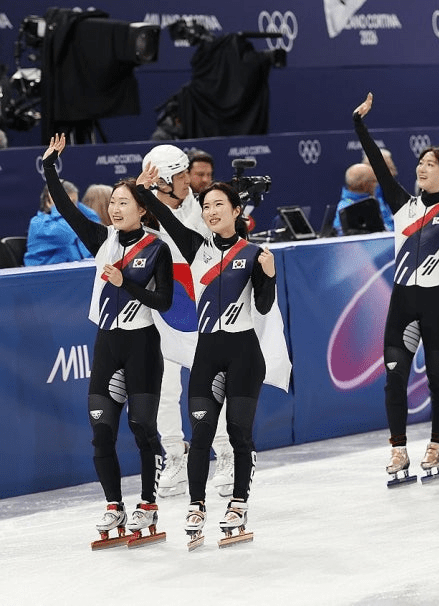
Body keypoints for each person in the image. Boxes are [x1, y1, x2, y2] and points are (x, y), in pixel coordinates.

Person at [352, 92, 439, 485]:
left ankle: (436, 442)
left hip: (435, 303)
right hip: (402, 302)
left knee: (437, 378)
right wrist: (360, 123)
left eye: (431, 164)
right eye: (420, 162)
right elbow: (379, 166)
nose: (422, 167)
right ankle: (398, 449)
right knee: (395, 377)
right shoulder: (402, 204)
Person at [41, 134, 173, 544]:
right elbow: (64, 207)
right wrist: (49, 166)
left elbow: (165, 302)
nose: (114, 209)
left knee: (141, 428)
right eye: (112, 203)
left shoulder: (157, 248)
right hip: (107, 345)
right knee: (101, 431)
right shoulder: (102, 240)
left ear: (141, 210)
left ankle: (148, 501)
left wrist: (127, 283)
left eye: (123, 203)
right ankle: (114, 504)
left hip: (142, 346)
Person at [137, 171, 276, 542]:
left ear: (236, 210)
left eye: (219, 205)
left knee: (238, 434)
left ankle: (238, 503)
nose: (211, 211)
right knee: (201, 433)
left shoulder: (254, 254)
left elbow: (263, 306)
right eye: (206, 205)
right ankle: (196, 506)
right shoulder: (195, 247)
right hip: (207, 354)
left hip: (244, 354)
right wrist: (142, 188)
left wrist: (270, 275)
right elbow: (160, 213)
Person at [141, 144, 234, 500]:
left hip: (201, 312)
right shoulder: (144, 211)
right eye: (179, 176)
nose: (187, 182)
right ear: (162, 182)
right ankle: (174, 457)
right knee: (165, 391)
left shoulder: (202, 212)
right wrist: (139, 194)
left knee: (212, 388)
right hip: (165, 312)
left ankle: (225, 454)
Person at [24, 179, 101, 266]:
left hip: (73, 273)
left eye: (74, 203)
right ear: (48, 201)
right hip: (44, 276)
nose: (72, 208)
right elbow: (67, 234)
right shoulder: (38, 223)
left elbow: (94, 223)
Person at [333, 163, 393, 236]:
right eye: (374, 181)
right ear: (364, 185)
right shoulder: (345, 209)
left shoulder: (373, 201)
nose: (377, 184)